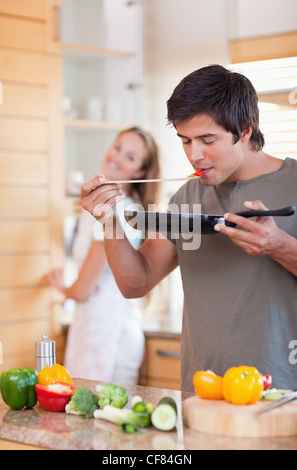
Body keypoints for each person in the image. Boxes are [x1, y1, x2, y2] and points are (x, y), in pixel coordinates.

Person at [81, 65, 297, 393]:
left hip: (283, 393)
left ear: (245, 130)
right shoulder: (188, 197)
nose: (194, 155)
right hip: (202, 391)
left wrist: (279, 246)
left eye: (207, 140)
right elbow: (136, 283)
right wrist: (111, 222)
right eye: (185, 140)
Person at [46, 127, 161, 383]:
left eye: (130, 157)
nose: (117, 157)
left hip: (112, 337)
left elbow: (82, 290)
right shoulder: (98, 207)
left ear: (140, 172)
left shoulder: (119, 212)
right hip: (92, 328)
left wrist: (61, 287)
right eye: (117, 147)